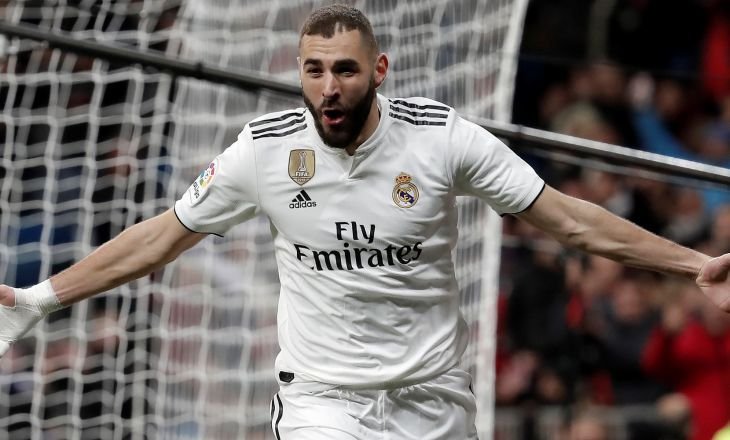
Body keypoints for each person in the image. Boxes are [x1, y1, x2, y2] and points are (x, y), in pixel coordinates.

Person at [1, 5, 729, 440]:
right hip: (325, 403)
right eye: (314, 70)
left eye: (345, 70)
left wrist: (695, 266)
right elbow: (160, 237)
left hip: (433, 401)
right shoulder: (263, 150)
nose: (329, 87)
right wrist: (41, 298)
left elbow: (572, 222)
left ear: (379, 69)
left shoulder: (443, 139)